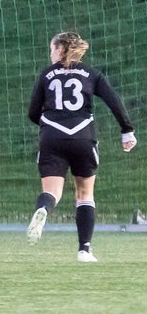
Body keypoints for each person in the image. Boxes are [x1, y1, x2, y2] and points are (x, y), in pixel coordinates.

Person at [24, 32, 135, 261]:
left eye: (52, 49)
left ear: (59, 49)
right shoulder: (91, 73)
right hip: (83, 136)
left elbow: (33, 112)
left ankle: (43, 209)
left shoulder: (46, 74)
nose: (50, 53)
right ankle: (84, 249)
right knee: (84, 193)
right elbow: (114, 101)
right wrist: (127, 130)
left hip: (52, 138)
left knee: (51, 192)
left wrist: (49, 126)